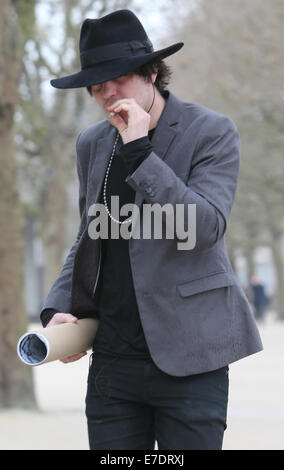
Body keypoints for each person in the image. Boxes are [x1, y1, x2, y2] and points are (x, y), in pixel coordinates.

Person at [40, 9, 263, 450]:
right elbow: (90, 236)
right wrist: (56, 311)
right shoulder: (91, 143)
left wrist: (140, 151)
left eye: (118, 79)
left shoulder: (211, 132)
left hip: (192, 357)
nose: (107, 94)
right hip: (113, 361)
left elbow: (203, 227)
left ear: (152, 72)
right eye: (97, 86)